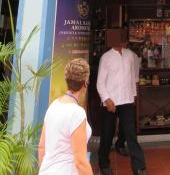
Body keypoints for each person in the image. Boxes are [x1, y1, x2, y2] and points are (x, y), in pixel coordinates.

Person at [97, 28, 148, 175]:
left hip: (127, 100)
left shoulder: (130, 55)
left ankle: (139, 167)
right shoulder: (106, 57)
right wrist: (107, 100)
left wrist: (134, 95)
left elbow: (134, 77)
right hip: (110, 102)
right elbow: (100, 83)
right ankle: (104, 163)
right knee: (107, 134)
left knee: (131, 134)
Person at [38, 58, 93, 175]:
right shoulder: (77, 113)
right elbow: (81, 162)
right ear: (85, 84)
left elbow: (42, 147)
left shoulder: (53, 105)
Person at [114, 43, 141, 156]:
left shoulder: (133, 56)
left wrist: (134, 94)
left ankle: (120, 143)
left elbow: (135, 78)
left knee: (126, 122)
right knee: (110, 122)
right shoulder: (110, 55)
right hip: (112, 94)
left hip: (127, 94)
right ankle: (109, 145)